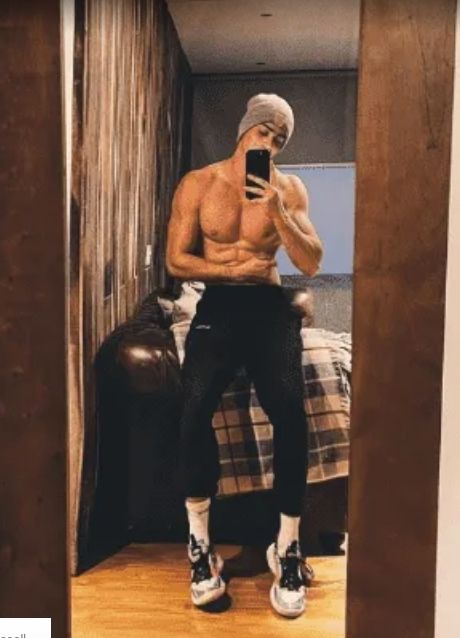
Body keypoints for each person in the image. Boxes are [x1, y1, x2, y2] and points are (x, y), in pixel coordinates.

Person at [165, 93, 323, 618]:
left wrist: (277, 211)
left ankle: (288, 546)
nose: (270, 145)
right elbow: (176, 259)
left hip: (269, 307)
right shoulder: (199, 183)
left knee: (290, 414)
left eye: (280, 139)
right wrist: (231, 272)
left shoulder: (290, 190)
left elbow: (311, 262)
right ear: (244, 131)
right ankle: (200, 546)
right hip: (219, 304)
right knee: (192, 411)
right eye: (264, 133)